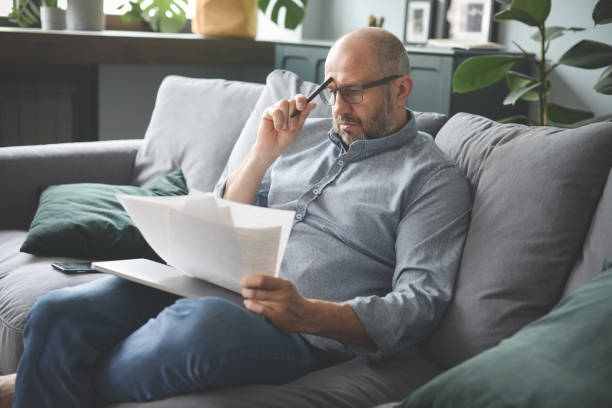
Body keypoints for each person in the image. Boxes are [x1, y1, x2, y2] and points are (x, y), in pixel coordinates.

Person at [5, 27, 471, 407]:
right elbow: (224, 214)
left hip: (298, 331)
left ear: (402, 88)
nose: (339, 109)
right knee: (57, 313)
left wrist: (308, 313)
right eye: (331, 90)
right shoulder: (301, 133)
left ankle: (35, 385)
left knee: (200, 326)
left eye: (353, 93)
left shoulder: (431, 180)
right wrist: (263, 154)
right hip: (212, 283)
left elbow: (419, 303)